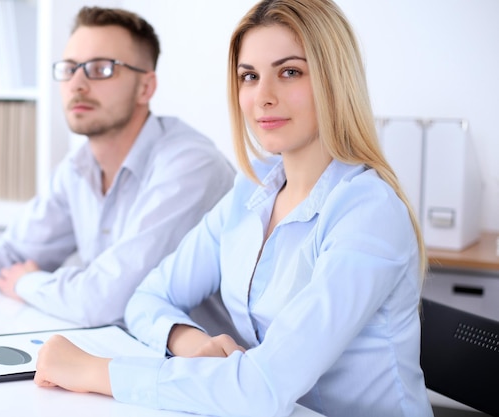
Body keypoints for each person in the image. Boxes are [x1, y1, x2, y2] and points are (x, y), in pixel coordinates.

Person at [32, 0, 434, 416]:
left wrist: (94, 372)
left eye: (290, 72)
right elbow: (147, 298)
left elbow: (262, 386)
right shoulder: (251, 191)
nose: (263, 97)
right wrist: (190, 342)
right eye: (249, 76)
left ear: (335, 80)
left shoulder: (368, 212)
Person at [0, 6, 235, 327]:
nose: (77, 83)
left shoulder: (189, 165)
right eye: (70, 69)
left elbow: (105, 299)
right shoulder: (78, 168)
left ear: (145, 87)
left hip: (213, 377)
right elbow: (15, 251)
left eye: (100, 69)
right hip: (129, 357)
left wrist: (28, 283)